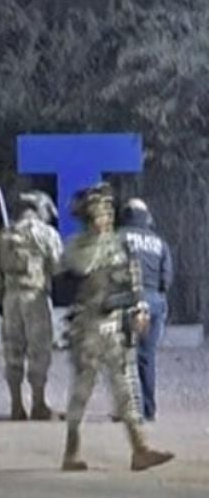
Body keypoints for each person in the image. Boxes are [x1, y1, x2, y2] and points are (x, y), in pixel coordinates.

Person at [58, 183, 172, 472]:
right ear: (87, 217)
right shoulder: (76, 247)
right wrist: (99, 242)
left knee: (127, 387)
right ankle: (71, 451)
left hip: (114, 327)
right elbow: (78, 269)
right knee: (82, 391)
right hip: (87, 329)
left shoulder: (119, 244)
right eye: (99, 213)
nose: (105, 218)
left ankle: (140, 449)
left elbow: (132, 278)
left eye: (108, 212)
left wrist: (140, 308)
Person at [0, 190, 63, 420]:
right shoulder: (46, 233)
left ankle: (16, 405)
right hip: (36, 297)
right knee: (38, 351)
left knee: (13, 351)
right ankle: (39, 403)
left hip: (11, 298)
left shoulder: (4, 236)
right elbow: (58, 266)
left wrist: (2, 296)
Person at [117, 198, 173, 422]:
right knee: (146, 357)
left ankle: (131, 410)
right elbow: (166, 279)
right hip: (155, 301)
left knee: (124, 357)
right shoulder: (159, 242)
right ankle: (148, 410)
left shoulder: (116, 238)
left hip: (127, 299)